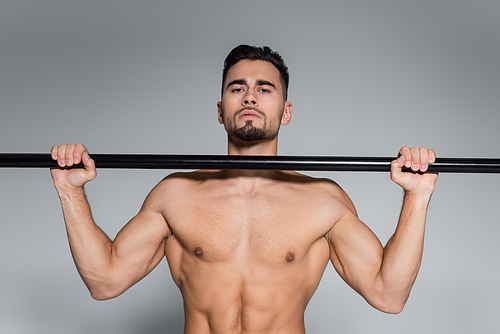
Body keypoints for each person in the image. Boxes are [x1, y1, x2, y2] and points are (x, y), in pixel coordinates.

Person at [50, 45, 438, 334]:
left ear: (286, 111)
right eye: (238, 88)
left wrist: (416, 198)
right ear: (221, 109)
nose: (250, 96)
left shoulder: (322, 201)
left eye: (264, 89)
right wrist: (70, 191)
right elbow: (105, 281)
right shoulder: (176, 194)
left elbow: (389, 295)